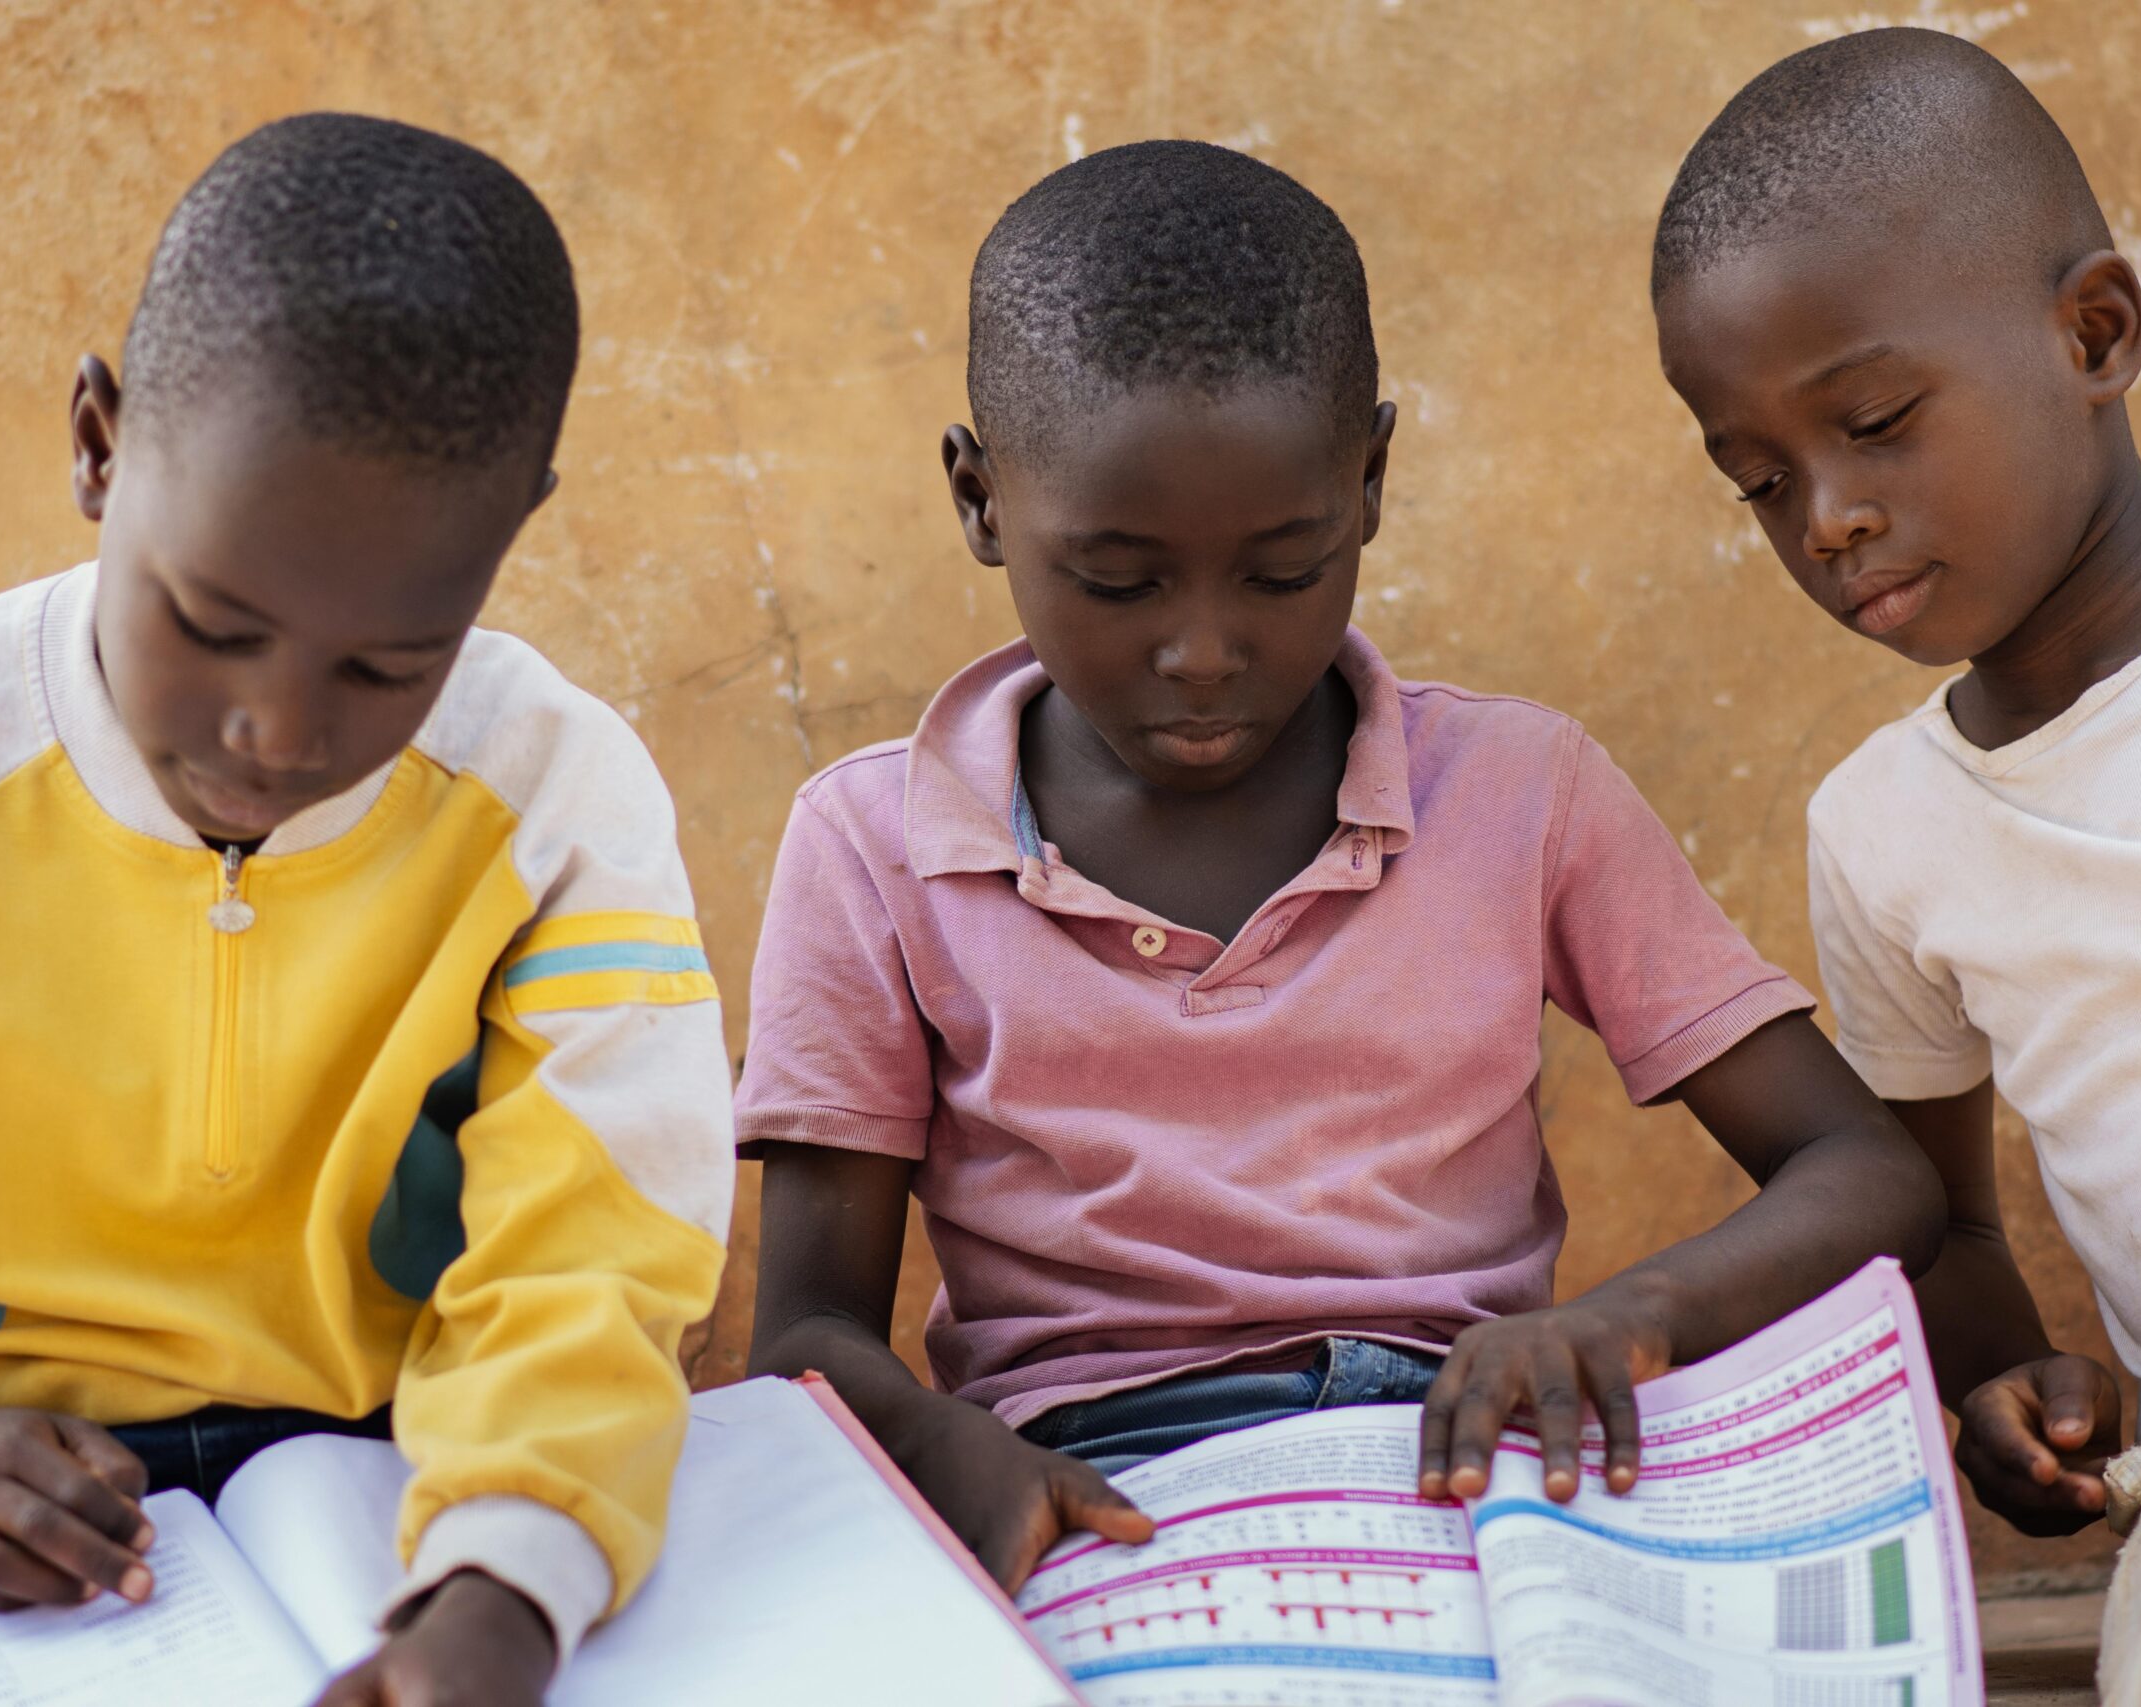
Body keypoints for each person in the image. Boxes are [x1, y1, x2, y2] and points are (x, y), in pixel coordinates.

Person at [739, 138, 1945, 1593]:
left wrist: (1627, 1318)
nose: (1202, 651)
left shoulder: (1520, 790)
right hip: (1089, 1483)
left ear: (1369, 480)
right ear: (982, 500)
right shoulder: (875, 846)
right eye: (1118, 582)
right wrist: (948, 1452)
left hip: (1473, 1453)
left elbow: (1864, 1169)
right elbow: (806, 1333)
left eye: (1283, 571)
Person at [0, 114, 733, 1707]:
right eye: (214, 626)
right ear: (98, 443)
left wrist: (510, 1579)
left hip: (416, 1480)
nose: (278, 734)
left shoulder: (555, 794)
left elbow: (598, 1251)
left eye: (387, 668)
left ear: (511, 530)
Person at [1653, 28, 2141, 1705]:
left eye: (1876, 422)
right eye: (1762, 481)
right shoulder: (1888, 830)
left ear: (2093, 334)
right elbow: (1943, 1216)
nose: (1827, 516)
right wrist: (2008, 1388)